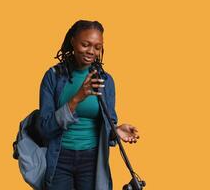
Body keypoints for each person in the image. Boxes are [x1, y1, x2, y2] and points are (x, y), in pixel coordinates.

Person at [37, 20, 140, 190]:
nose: (91, 51)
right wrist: (77, 98)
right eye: (85, 44)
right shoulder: (53, 77)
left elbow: (107, 124)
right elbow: (45, 128)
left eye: (97, 47)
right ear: (73, 41)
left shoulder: (105, 81)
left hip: (92, 161)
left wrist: (116, 131)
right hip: (59, 159)